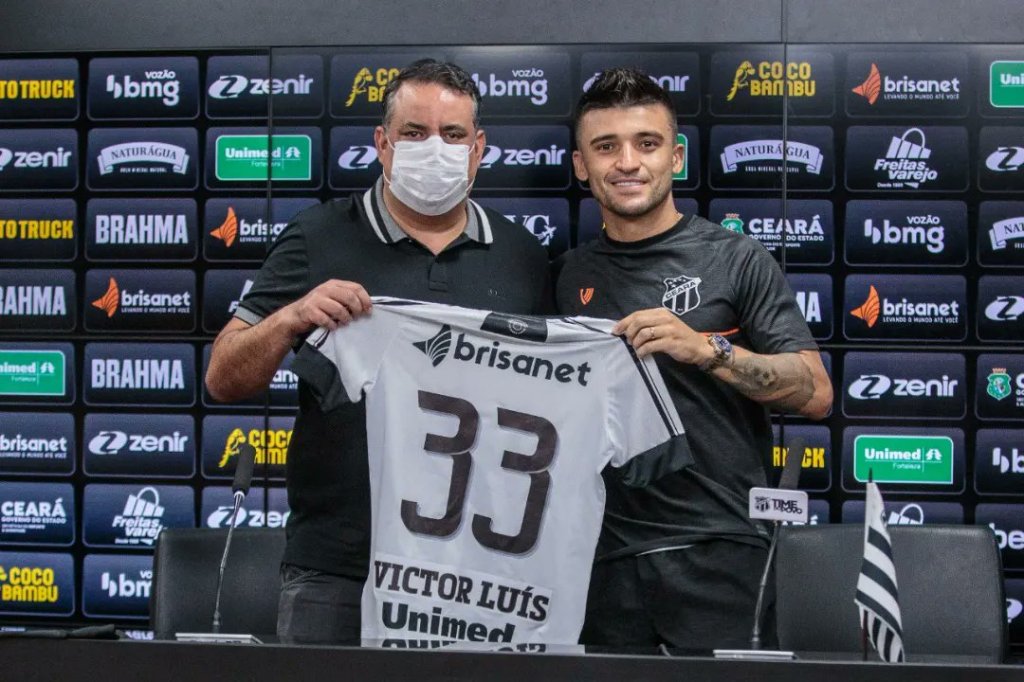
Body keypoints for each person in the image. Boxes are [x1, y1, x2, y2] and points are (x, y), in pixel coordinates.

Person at [205, 59, 552, 644]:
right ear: (382, 143)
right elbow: (223, 375)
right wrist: (292, 317)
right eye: (415, 132)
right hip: (337, 568)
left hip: (478, 573)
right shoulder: (317, 235)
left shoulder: (522, 255)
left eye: (453, 134)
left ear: (479, 148)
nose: (434, 148)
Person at [554, 67, 832, 651]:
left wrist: (708, 349)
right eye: (606, 147)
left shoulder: (735, 259)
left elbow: (815, 391)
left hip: (721, 549)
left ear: (675, 156)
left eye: (646, 143)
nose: (627, 162)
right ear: (581, 165)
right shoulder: (563, 275)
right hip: (598, 560)